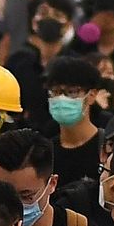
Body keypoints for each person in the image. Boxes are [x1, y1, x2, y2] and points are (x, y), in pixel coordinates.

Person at [41, 55, 105, 187]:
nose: (62, 98)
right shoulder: (44, 153)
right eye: (56, 91)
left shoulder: (105, 148)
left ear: (92, 95)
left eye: (72, 92)